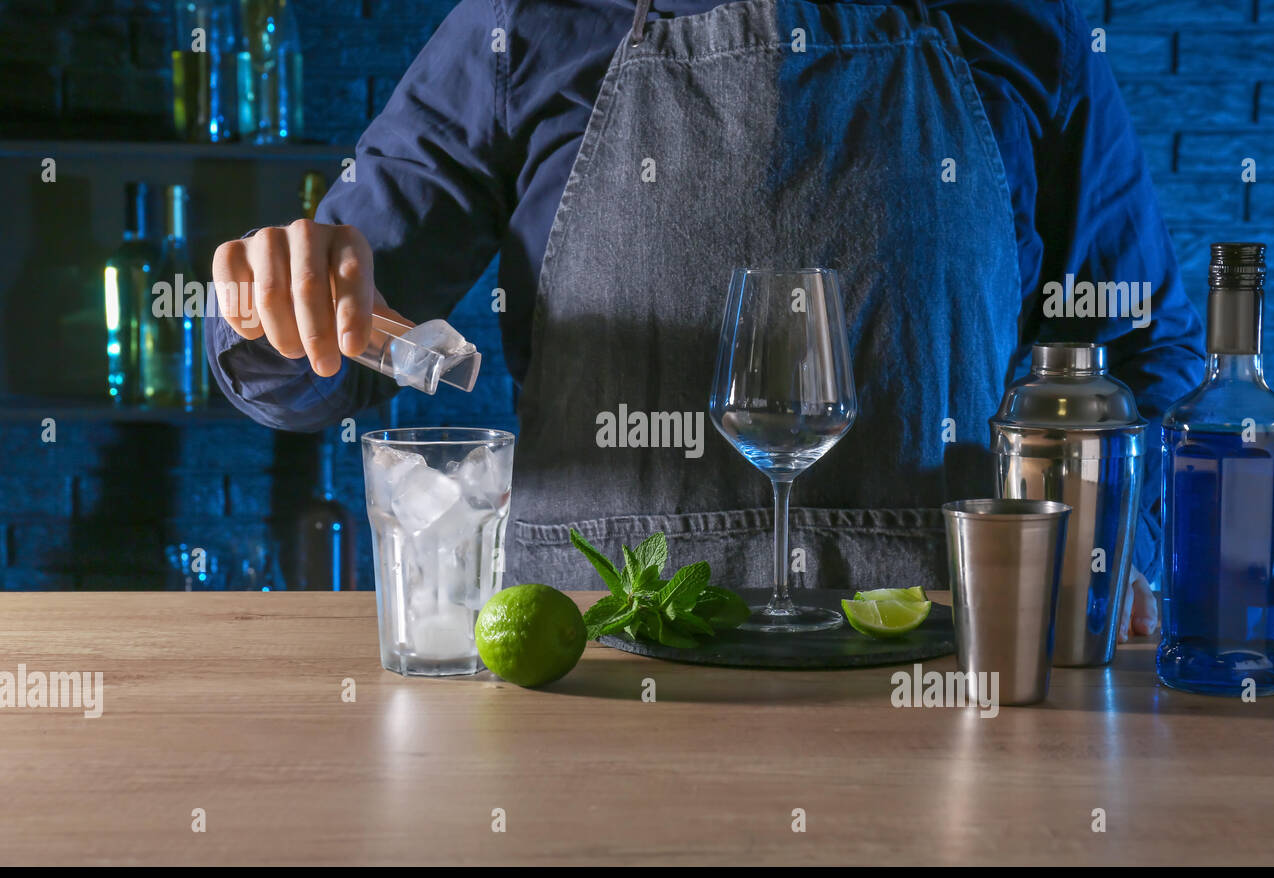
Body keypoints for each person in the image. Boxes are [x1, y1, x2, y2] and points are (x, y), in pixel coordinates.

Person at [208, 0, 1200, 640]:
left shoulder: (1026, 27)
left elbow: (1140, 344)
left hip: (941, 655)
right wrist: (273, 298)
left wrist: (1121, 558)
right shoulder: (521, 25)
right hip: (597, 656)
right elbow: (313, 367)